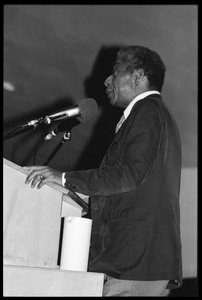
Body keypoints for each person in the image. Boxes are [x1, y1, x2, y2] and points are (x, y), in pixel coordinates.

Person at [23, 45, 182, 296]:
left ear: (138, 76)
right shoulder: (150, 114)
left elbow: (128, 176)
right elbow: (132, 186)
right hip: (139, 263)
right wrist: (72, 191)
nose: (108, 80)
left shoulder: (147, 111)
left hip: (132, 263)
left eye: (115, 72)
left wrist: (64, 177)